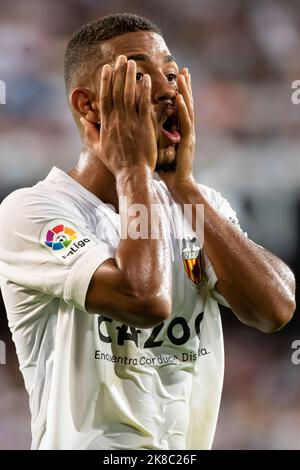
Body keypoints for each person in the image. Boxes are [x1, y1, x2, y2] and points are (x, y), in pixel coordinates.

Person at [0, 13, 296, 451]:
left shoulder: (198, 206)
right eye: (140, 74)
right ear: (88, 106)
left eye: (172, 73)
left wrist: (184, 186)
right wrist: (135, 169)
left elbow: (275, 309)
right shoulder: (32, 213)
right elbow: (144, 299)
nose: (167, 87)